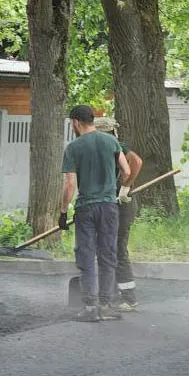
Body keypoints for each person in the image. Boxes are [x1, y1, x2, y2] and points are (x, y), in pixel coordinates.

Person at [60, 105, 130, 322]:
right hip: (109, 207)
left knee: (87, 256)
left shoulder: (74, 147)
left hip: (86, 208)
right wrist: (117, 190)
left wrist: (63, 212)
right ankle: (106, 305)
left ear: (75, 122)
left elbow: (70, 184)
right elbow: (127, 171)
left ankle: (91, 307)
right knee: (108, 255)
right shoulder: (111, 142)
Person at [94, 117, 143, 312]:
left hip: (121, 205)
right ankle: (111, 294)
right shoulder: (104, 148)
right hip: (109, 205)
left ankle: (129, 298)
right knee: (107, 248)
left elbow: (136, 162)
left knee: (117, 249)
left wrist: (125, 187)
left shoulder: (115, 144)